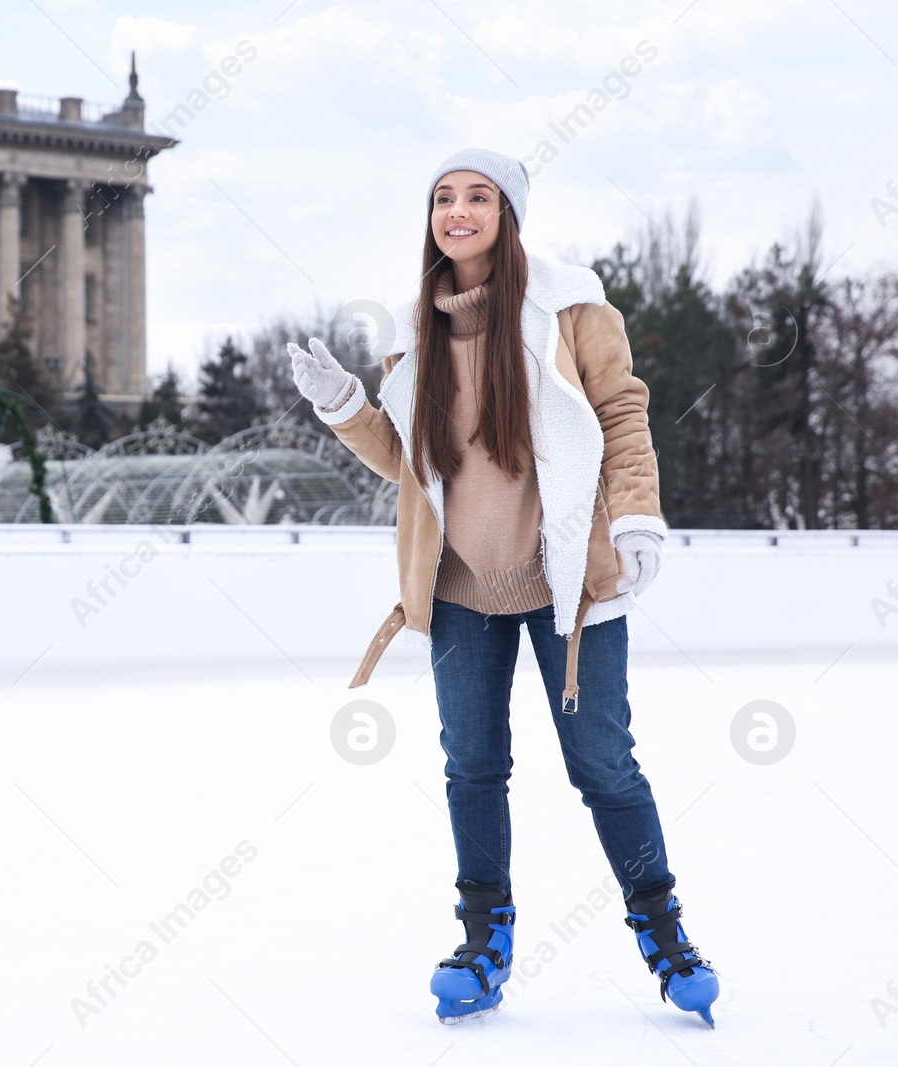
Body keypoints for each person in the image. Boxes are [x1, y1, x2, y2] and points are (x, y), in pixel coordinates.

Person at [286, 147, 719, 1026]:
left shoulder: (574, 306)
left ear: (508, 214)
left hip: (570, 582)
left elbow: (623, 413)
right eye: (444, 197)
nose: (457, 210)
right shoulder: (418, 326)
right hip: (459, 587)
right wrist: (343, 405)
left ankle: (664, 932)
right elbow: (410, 462)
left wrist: (637, 516)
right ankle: (485, 939)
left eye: (477, 196)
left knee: (602, 763)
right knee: (472, 766)